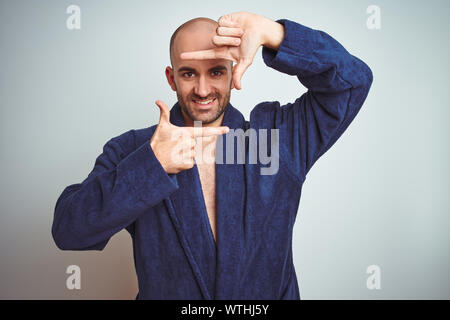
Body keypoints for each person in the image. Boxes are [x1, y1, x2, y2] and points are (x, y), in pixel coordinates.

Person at [52, 11, 373, 300]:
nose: (203, 89)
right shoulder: (133, 150)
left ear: (233, 70)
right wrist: (151, 166)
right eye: (189, 73)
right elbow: (69, 230)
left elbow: (353, 81)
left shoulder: (278, 139)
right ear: (171, 77)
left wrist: (275, 33)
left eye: (216, 72)